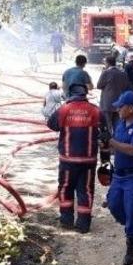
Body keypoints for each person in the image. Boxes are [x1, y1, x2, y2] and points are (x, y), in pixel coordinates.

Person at [102, 91, 133, 265]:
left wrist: (112, 142)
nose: (117, 110)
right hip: (119, 175)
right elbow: (116, 147)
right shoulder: (120, 123)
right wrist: (105, 147)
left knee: (132, 210)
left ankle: (132, 246)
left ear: (130, 109)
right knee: (114, 205)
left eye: (120, 106)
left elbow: (132, 150)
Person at [46, 84, 101, 233]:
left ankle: (66, 220)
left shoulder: (64, 109)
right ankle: (83, 224)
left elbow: (51, 124)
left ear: (70, 94)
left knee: (65, 188)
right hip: (88, 160)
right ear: (85, 94)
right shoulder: (95, 110)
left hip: (68, 160)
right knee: (86, 190)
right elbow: (105, 133)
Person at [96, 54, 130, 131]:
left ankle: (109, 141)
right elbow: (126, 86)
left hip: (107, 103)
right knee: (117, 123)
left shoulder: (106, 73)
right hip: (119, 102)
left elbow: (99, 85)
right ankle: (117, 139)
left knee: (107, 124)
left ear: (107, 63)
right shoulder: (122, 73)